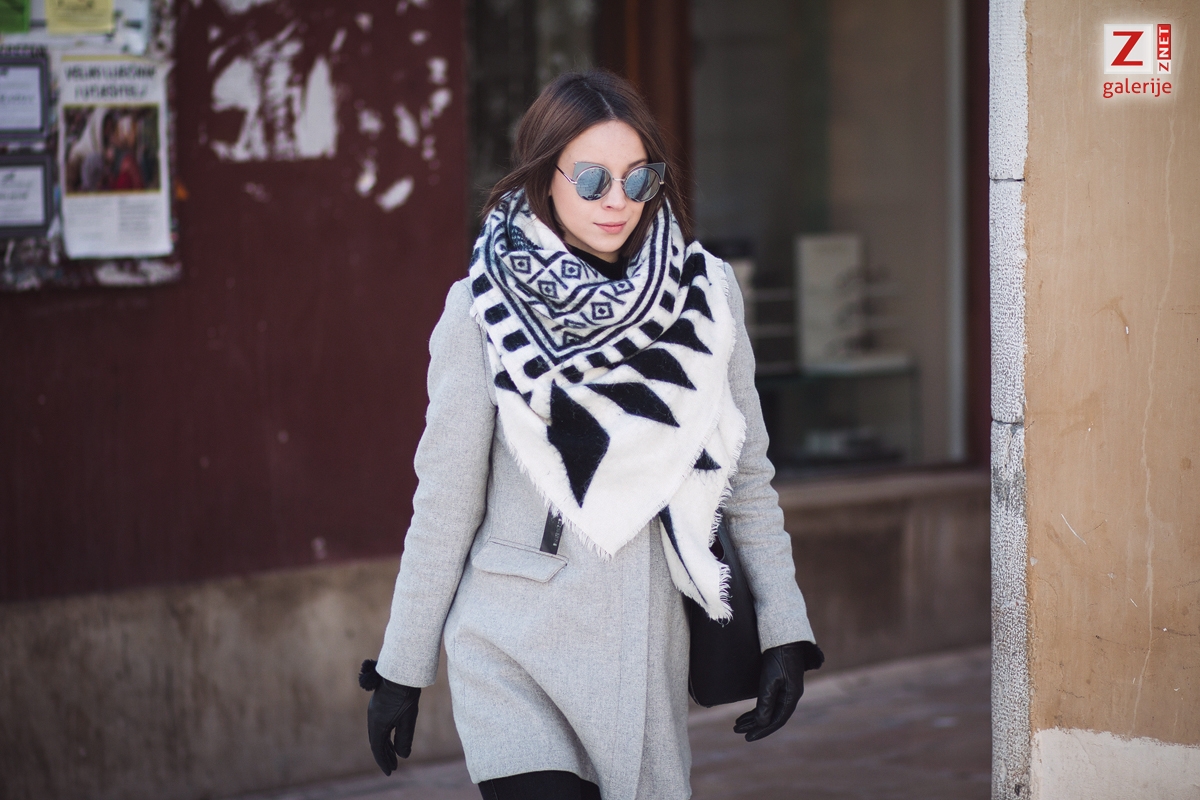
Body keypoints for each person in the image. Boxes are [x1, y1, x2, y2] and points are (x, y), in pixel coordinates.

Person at [360, 69, 823, 800]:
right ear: (545, 176)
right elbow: (445, 503)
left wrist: (783, 629)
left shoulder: (705, 297)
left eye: (638, 179)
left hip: (644, 645)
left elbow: (747, 477)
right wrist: (401, 670)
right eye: (592, 179)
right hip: (509, 646)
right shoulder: (481, 310)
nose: (618, 201)